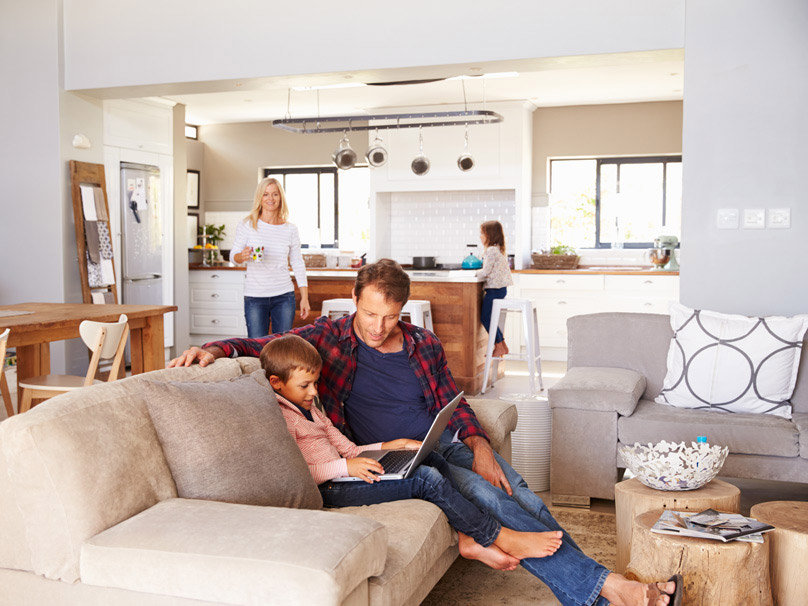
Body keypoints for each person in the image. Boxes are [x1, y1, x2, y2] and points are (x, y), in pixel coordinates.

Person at [170, 259, 682, 606]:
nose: (377, 326)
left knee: (519, 493)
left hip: (444, 446)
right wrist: (214, 348)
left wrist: (479, 444)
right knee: (497, 503)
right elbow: (265, 343)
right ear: (354, 300)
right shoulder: (328, 338)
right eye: (370, 314)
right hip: (396, 458)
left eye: (389, 317)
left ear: (403, 312)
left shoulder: (423, 344)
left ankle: (601, 589)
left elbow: (450, 404)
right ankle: (615, 589)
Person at [261, 334, 565, 571]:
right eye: (305, 385)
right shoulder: (282, 417)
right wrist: (344, 468)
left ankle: (467, 538)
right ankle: (493, 536)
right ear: (276, 382)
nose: (314, 392)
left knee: (429, 455)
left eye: (315, 383)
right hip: (331, 489)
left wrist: (390, 446)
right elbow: (299, 474)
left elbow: (350, 449)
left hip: (347, 474)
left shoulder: (310, 407)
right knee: (425, 480)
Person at [230, 177, 310, 337]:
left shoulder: (290, 229)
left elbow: (297, 263)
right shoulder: (247, 225)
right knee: (256, 349)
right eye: (266, 194)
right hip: (255, 297)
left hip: (284, 296)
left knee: (281, 350)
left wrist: (304, 298)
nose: (270, 199)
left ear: (281, 197)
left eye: (275, 194)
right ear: (260, 197)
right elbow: (233, 257)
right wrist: (242, 256)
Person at [477, 220, 513, 359]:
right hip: (499, 289)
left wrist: (472, 273)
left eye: (482, 233)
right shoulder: (497, 249)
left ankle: (498, 345)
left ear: (489, 235)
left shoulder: (491, 250)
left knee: (486, 318)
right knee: (489, 317)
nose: (480, 236)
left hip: (494, 290)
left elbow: (486, 271)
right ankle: (502, 345)